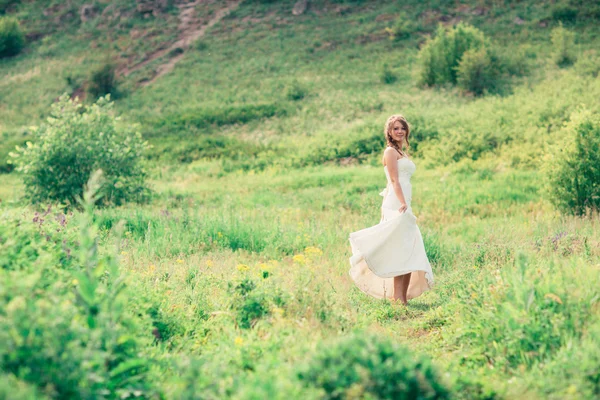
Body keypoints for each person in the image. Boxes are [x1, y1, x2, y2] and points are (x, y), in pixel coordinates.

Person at [349, 114, 434, 305]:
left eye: (402, 128)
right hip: (397, 203)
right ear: (389, 131)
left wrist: (406, 202)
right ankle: (399, 299)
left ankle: (402, 299)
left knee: (408, 251)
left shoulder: (402, 153)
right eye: (396, 128)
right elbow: (394, 181)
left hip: (403, 202)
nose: (400, 131)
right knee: (400, 250)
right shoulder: (390, 152)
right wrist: (403, 203)